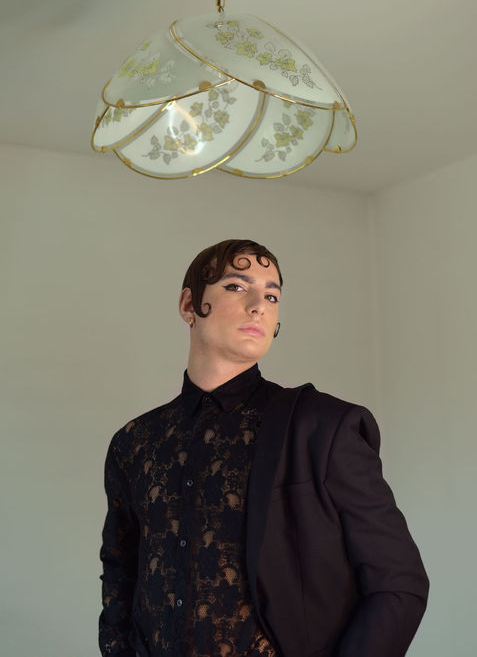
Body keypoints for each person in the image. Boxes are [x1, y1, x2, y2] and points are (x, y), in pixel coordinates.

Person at [98, 238, 429, 657]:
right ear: (189, 305)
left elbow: (398, 584)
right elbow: (120, 573)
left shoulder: (323, 427)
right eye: (236, 286)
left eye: (271, 296)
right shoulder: (135, 442)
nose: (259, 305)